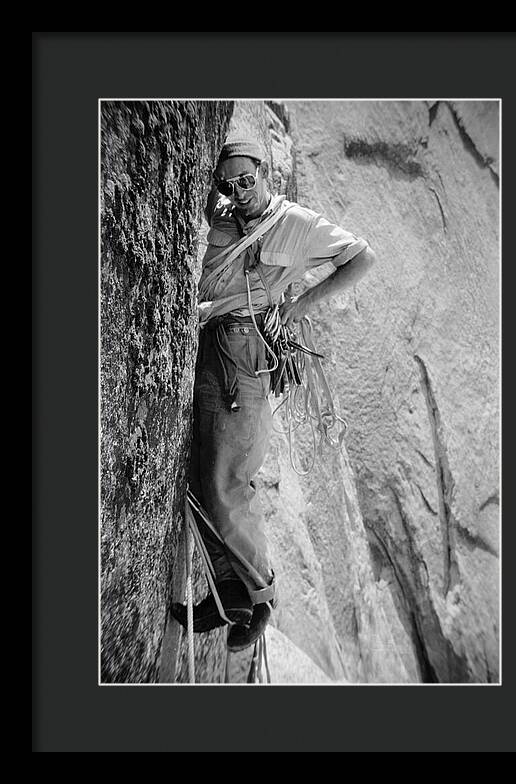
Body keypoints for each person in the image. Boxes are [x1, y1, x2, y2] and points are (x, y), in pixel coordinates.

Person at [171, 136, 376, 652]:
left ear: (268, 175)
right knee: (201, 470)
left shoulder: (296, 223)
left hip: (244, 354)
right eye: (229, 184)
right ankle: (229, 594)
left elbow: (361, 257)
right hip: (212, 343)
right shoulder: (222, 218)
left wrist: (301, 304)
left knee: (227, 479)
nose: (239, 191)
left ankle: (259, 598)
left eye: (247, 180)